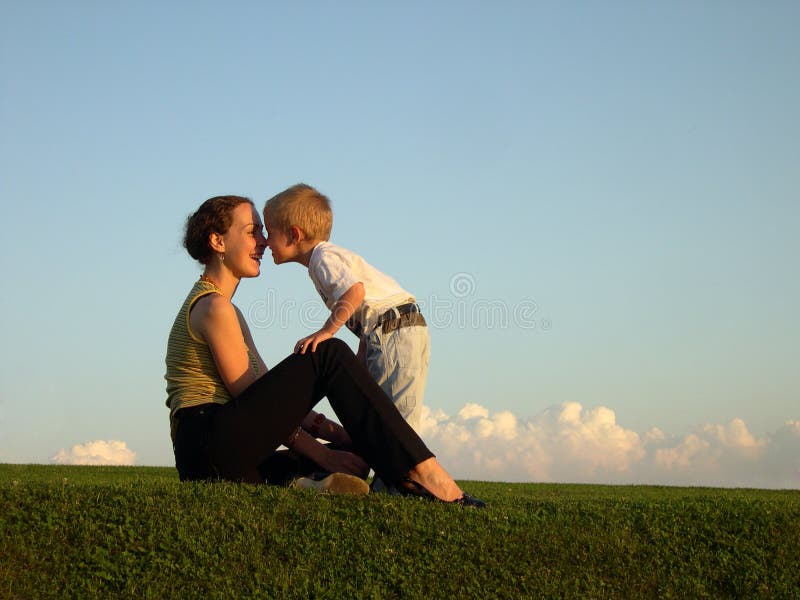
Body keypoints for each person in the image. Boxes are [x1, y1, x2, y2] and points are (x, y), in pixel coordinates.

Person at [164, 194, 485, 507]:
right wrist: (324, 451)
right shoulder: (214, 307)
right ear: (218, 242)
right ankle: (423, 473)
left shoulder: (224, 309)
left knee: (346, 455)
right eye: (253, 232)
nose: (263, 241)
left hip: (214, 459)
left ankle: (306, 483)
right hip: (208, 442)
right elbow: (247, 392)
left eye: (263, 232)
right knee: (328, 353)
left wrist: (341, 437)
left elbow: (266, 397)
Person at [262, 184, 429, 434]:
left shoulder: (322, 258)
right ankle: (381, 467)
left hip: (394, 331)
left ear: (294, 234)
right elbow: (365, 311)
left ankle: (405, 471)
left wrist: (326, 331)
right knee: (384, 410)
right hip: (392, 329)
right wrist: (360, 363)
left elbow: (356, 292)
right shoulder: (323, 260)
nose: (265, 241)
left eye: (269, 232)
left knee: (395, 417)